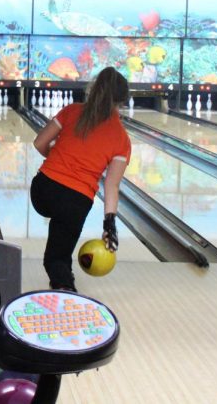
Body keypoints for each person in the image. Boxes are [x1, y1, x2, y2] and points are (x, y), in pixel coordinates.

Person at [30, 67, 131, 292]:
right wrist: (109, 224)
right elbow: (111, 185)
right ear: (123, 101)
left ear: (93, 89)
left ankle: (64, 270)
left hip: (42, 191)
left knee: (60, 237)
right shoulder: (121, 139)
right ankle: (66, 291)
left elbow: (39, 143)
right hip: (76, 201)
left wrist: (56, 157)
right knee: (56, 258)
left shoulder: (71, 111)